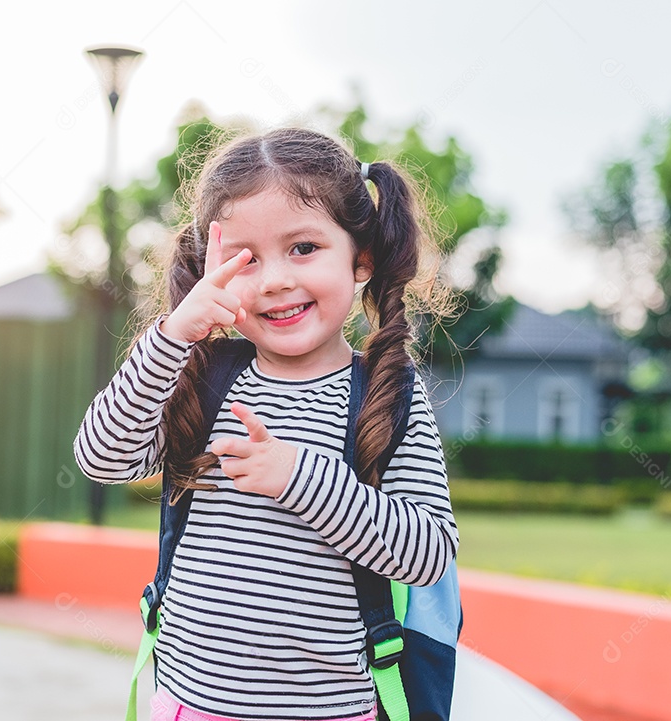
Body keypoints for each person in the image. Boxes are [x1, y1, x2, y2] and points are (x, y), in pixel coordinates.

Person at [73, 126, 459, 721]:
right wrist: (174, 335)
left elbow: (428, 553)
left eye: (303, 248)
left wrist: (299, 478)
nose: (275, 279)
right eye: (245, 259)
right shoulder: (202, 378)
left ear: (361, 259)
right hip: (190, 705)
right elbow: (102, 457)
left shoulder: (384, 395)